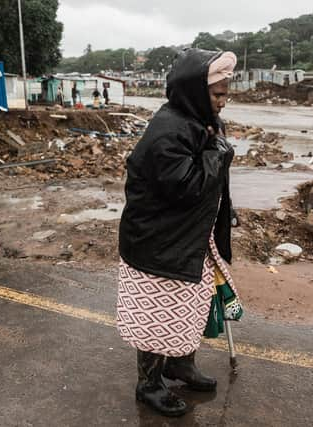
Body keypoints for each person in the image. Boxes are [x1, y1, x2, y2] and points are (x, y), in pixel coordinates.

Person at [117, 49, 243, 418]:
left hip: (187, 239)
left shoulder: (200, 121)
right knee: (157, 313)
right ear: (194, 90)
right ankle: (149, 385)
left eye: (225, 93)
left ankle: (179, 364)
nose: (224, 101)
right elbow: (184, 187)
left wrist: (225, 207)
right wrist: (217, 154)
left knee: (188, 307)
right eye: (218, 94)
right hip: (158, 243)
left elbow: (211, 183)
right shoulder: (168, 130)